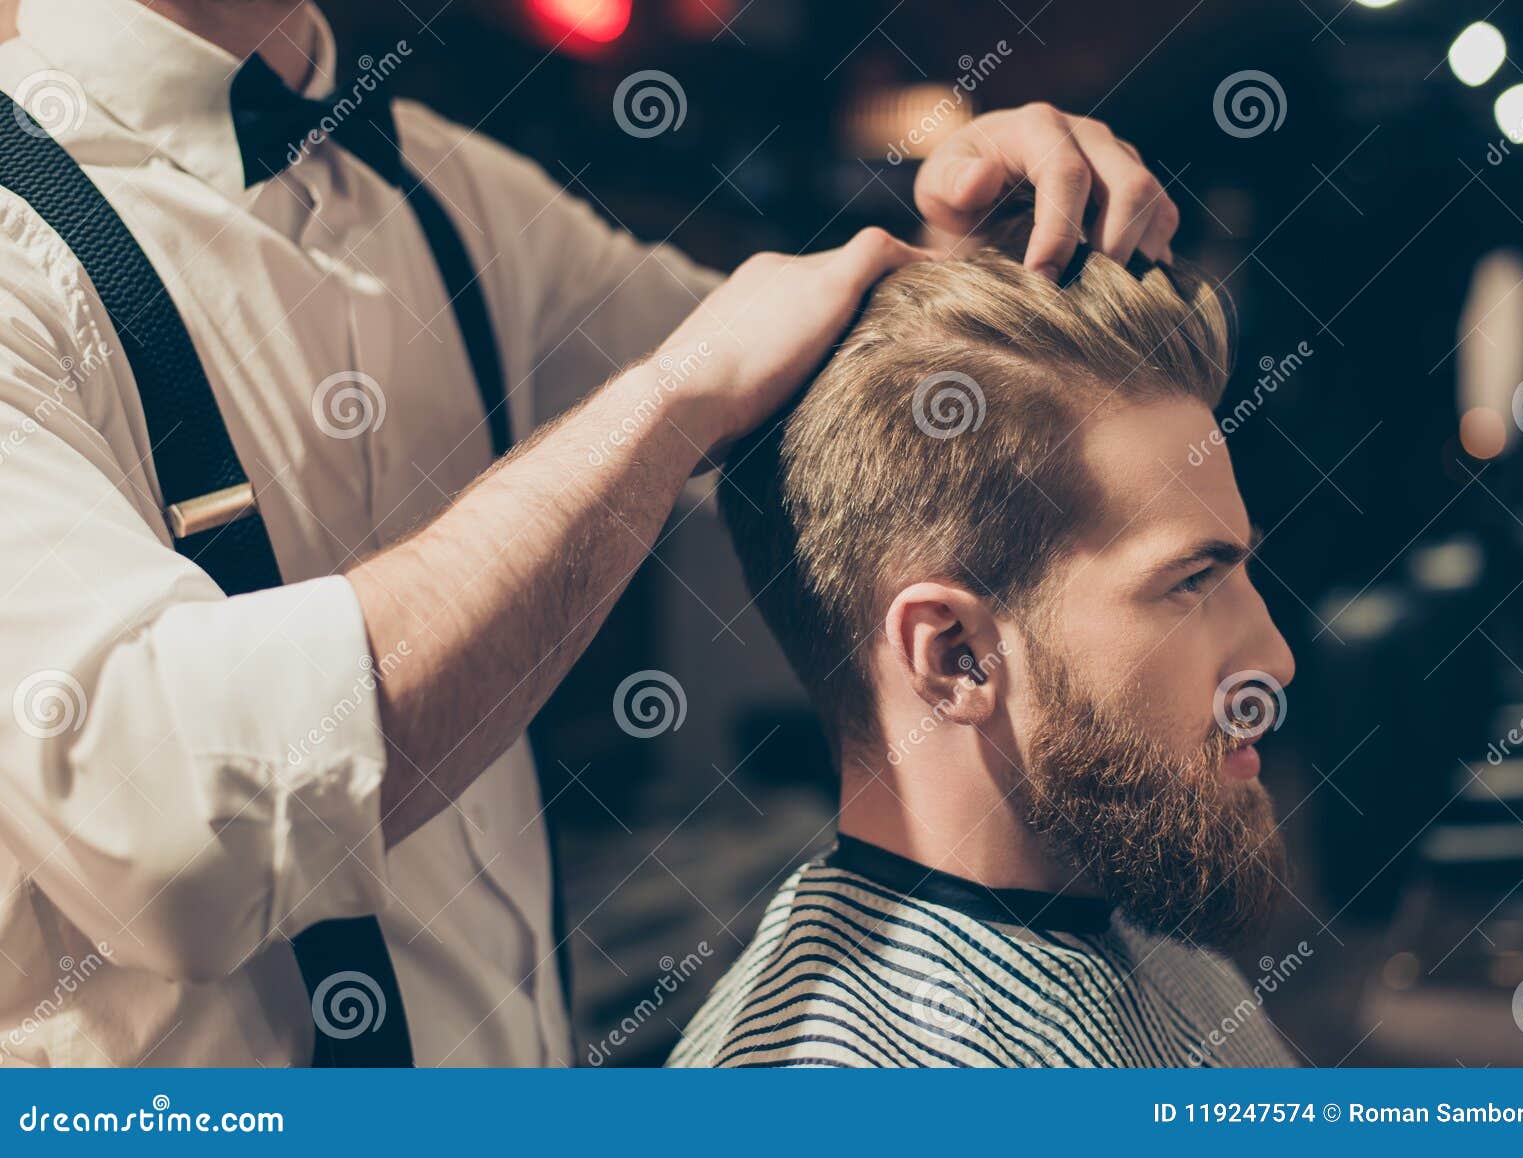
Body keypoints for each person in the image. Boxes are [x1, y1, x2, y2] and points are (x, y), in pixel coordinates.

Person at [0, 0, 1182, 1066]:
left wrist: (982, 274)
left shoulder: (453, 192)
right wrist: (672, 399)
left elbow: (827, 393)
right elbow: (179, 843)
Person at [668, 238, 1299, 1067]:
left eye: (1237, 571)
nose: (1276, 661)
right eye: (1189, 584)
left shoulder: (1151, 944)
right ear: (956, 655)